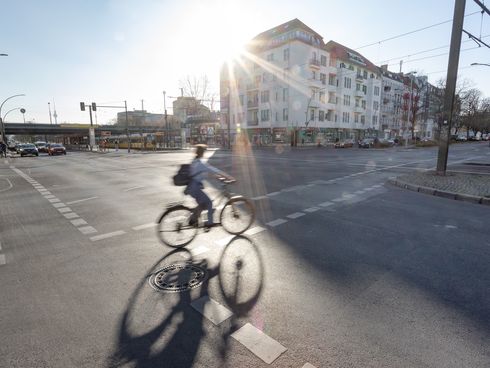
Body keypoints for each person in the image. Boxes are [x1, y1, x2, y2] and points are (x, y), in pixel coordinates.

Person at [186, 144, 234, 228]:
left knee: (202, 204)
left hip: (191, 186)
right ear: (202, 153)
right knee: (209, 203)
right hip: (195, 187)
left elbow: (205, 173)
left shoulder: (195, 161)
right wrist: (228, 177)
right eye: (204, 151)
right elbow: (213, 170)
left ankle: (193, 219)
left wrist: (218, 177)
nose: (204, 153)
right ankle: (209, 223)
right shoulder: (200, 163)